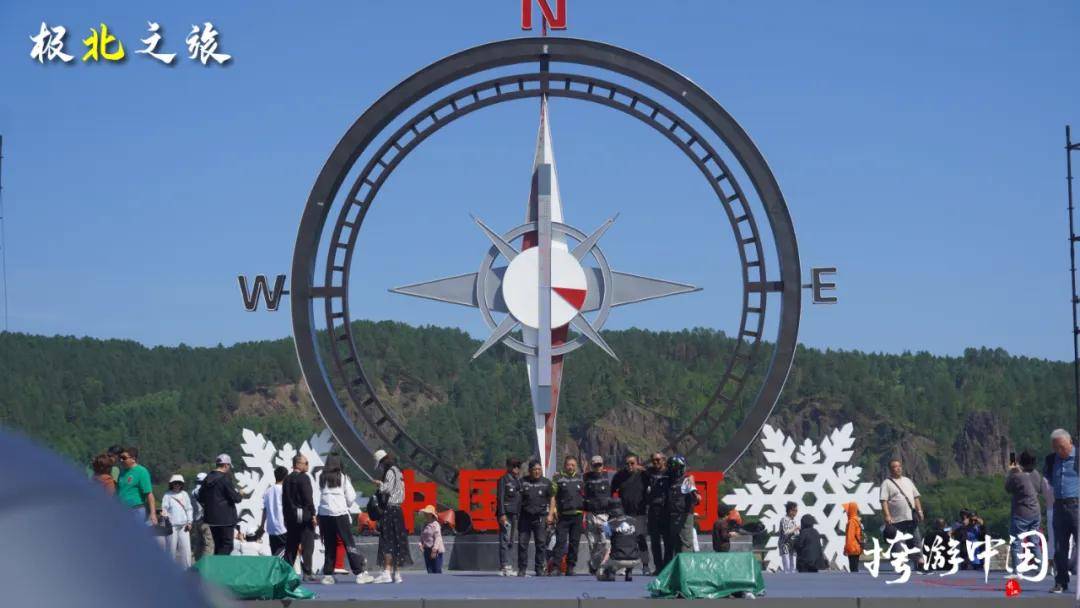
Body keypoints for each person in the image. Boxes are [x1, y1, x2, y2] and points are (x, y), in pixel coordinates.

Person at [316, 455, 371, 585]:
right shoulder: (342, 477)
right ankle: (359, 573)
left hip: (324, 514)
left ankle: (328, 575)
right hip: (340, 514)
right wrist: (345, 504)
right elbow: (351, 497)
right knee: (349, 543)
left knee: (329, 544)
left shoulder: (322, 477)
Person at [1044, 428, 1078, 593]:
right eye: (1055, 448)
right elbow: (1049, 479)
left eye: (1062, 447)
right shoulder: (1051, 460)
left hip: (1077, 505)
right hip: (1059, 507)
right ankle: (1061, 581)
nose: (1059, 451)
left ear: (1070, 442)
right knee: (1059, 547)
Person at [373, 449, 412, 583]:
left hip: (389, 509)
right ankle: (397, 573)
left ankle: (387, 572)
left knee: (387, 540)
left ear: (382, 462)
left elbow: (387, 489)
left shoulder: (389, 472)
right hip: (398, 509)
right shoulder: (399, 472)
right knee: (397, 541)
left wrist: (379, 484)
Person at [1004, 450, 1043, 575]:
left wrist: (1011, 473)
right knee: (1034, 541)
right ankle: (1040, 567)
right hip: (1035, 511)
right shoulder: (1036, 474)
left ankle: (1017, 570)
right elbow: (1039, 489)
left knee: (1016, 541)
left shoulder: (1017, 476)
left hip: (1021, 512)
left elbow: (1007, 488)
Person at [610, 453, 650, 574]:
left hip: (640, 513)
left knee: (641, 539)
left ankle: (645, 565)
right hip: (624, 515)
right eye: (627, 464)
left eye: (632, 463)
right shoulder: (619, 476)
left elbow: (655, 481)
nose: (630, 466)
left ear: (637, 463)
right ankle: (627, 568)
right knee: (625, 540)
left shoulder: (644, 475)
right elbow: (611, 492)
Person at [880, 459, 923, 568]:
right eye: (895, 466)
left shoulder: (908, 480)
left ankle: (920, 562)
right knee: (898, 543)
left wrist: (920, 511)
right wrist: (887, 515)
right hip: (896, 520)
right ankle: (901, 564)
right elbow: (884, 501)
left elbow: (916, 497)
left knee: (916, 541)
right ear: (890, 469)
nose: (898, 468)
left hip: (911, 518)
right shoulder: (886, 483)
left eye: (899, 466)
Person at [198, 454, 242, 556]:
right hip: (226, 519)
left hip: (211, 519)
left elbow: (200, 497)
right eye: (229, 466)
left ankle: (216, 564)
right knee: (227, 545)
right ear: (226, 465)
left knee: (217, 545)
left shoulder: (207, 478)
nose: (229, 468)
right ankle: (220, 565)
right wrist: (240, 494)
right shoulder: (224, 479)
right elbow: (236, 498)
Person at [549, 455, 585, 575]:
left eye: (573, 465)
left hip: (578, 515)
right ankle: (556, 567)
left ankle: (570, 567)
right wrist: (551, 513)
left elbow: (586, 496)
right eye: (568, 465)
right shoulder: (558, 478)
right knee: (560, 541)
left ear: (576, 466)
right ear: (564, 466)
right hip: (563, 516)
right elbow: (553, 496)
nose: (570, 467)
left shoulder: (581, 478)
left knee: (574, 543)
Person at [282, 454, 317, 580]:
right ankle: (307, 572)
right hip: (304, 516)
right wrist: (313, 514)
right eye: (306, 463)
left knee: (291, 545)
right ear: (298, 464)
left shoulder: (287, 479)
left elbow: (284, 500)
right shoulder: (304, 478)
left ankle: (285, 572)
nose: (307, 465)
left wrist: (285, 517)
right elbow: (308, 498)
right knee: (307, 544)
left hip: (291, 516)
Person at [518, 460, 554, 577]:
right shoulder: (522, 482)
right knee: (522, 543)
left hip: (540, 517)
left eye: (539, 469)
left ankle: (539, 568)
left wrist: (550, 514)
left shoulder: (546, 483)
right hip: (525, 517)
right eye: (534, 469)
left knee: (541, 543)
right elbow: (516, 498)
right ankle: (522, 568)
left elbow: (552, 498)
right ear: (530, 471)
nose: (537, 471)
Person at [664, 455, 698, 564]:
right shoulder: (668, 481)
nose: (674, 470)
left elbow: (696, 497)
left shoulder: (687, 480)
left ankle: (686, 566)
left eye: (677, 467)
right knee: (676, 543)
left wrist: (696, 496)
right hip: (672, 515)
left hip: (684, 515)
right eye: (672, 467)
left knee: (685, 542)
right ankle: (679, 566)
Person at [596, 500, 641, 582]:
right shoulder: (634, 521)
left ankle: (611, 572)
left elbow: (608, 545)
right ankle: (629, 571)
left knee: (602, 572)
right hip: (635, 559)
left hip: (617, 558)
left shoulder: (608, 524)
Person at [583, 455, 611, 575]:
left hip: (605, 516)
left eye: (599, 465)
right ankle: (594, 566)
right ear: (591, 465)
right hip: (590, 515)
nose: (597, 467)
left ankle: (604, 565)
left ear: (603, 465)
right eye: (595, 465)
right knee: (592, 543)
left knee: (606, 542)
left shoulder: (609, 477)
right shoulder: (585, 477)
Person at [117, 447, 157, 526]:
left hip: (136, 510)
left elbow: (149, 494)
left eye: (124, 458)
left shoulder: (141, 471)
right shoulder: (122, 473)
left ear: (133, 459)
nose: (121, 460)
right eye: (120, 458)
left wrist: (153, 513)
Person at [496, 457, 523, 576]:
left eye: (518, 466)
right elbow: (500, 497)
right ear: (508, 467)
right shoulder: (503, 480)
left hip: (515, 514)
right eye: (514, 466)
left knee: (512, 540)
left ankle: (510, 565)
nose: (516, 468)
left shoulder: (518, 481)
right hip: (506, 514)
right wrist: (502, 514)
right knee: (504, 539)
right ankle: (504, 565)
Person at [645, 452, 671, 571]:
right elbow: (639, 468)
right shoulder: (649, 472)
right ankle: (658, 567)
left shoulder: (670, 472)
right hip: (653, 510)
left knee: (668, 541)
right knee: (654, 541)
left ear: (664, 460)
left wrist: (691, 478)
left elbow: (684, 475)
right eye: (653, 460)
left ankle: (667, 567)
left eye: (658, 460)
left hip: (666, 510)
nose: (655, 462)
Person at [162, 474, 194, 568]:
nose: (177, 485)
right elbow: (164, 509)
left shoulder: (185, 494)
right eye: (175, 483)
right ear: (171, 484)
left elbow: (189, 509)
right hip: (172, 526)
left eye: (179, 483)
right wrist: (166, 518)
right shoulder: (167, 495)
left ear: (181, 484)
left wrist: (189, 522)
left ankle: (187, 569)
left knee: (186, 550)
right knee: (171, 549)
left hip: (184, 526)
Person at [261, 466, 289, 557]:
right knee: (285, 552)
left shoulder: (267, 491)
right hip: (282, 527)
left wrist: (262, 525)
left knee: (275, 553)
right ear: (285, 477)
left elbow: (265, 510)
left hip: (271, 528)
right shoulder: (284, 490)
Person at [191, 472, 214, 560]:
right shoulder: (203, 491)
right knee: (208, 544)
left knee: (199, 544)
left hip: (196, 520)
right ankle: (206, 564)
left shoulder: (193, 491)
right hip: (204, 520)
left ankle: (195, 563)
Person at [419, 505, 446, 573]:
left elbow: (438, 538)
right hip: (426, 550)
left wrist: (434, 550)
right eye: (425, 513)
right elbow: (422, 536)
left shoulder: (436, 524)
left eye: (427, 513)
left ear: (431, 514)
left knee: (436, 570)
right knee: (429, 570)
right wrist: (420, 544)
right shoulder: (424, 524)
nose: (425, 514)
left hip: (436, 550)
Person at [778, 502, 800, 572]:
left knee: (793, 567)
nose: (796, 513)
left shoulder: (793, 520)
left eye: (796, 511)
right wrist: (795, 528)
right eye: (795, 510)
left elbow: (796, 533)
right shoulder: (784, 519)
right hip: (785, 545)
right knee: (787, 567)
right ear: (790, 511)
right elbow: (786, 532)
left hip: (793, 545)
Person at [842, 502, 863, 572]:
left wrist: (846, 549)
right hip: (856, 548)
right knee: (855, 568)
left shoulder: (851, 522)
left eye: (847, 510)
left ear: (851, 510)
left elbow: (850, 537)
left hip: (852, 548)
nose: (846, 512)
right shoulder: (857, 520)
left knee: (853, 569)